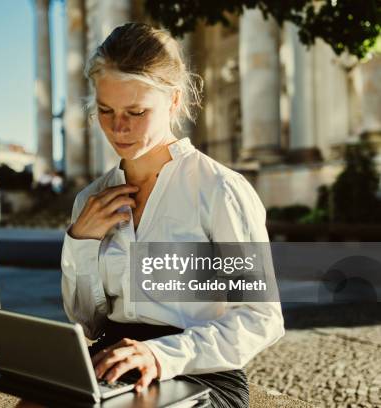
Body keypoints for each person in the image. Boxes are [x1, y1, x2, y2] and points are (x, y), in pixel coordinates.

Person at [61, 23, 285, 407]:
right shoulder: (91, 200)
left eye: (136, 111)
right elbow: (86, 322)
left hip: (201, 373)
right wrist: (80, 241)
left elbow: (261, 319)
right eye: (105, 110)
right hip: (110, 362)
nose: (118, 127)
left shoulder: (219, 190)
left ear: (174, 102)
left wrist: (160, 355)